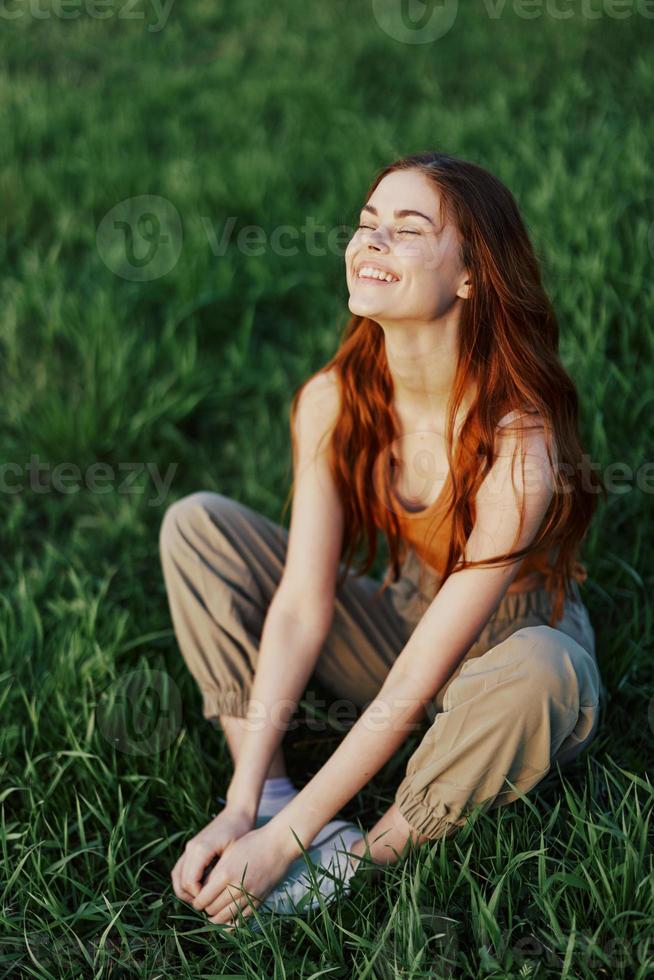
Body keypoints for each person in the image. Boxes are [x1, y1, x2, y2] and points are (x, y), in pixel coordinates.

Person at [159, 151, 605, 930]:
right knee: (197, 525)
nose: (371, 243)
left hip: (506, 656)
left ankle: (356, 856)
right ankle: (269, 791)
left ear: (471, 274)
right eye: (366, 225)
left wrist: (286, 850)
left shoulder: (518, 440)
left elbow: (422, 674)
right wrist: (244, 814)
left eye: (406, 230)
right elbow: (302, 605)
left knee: (550, 672)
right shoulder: (331, 398)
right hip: (398, 618)